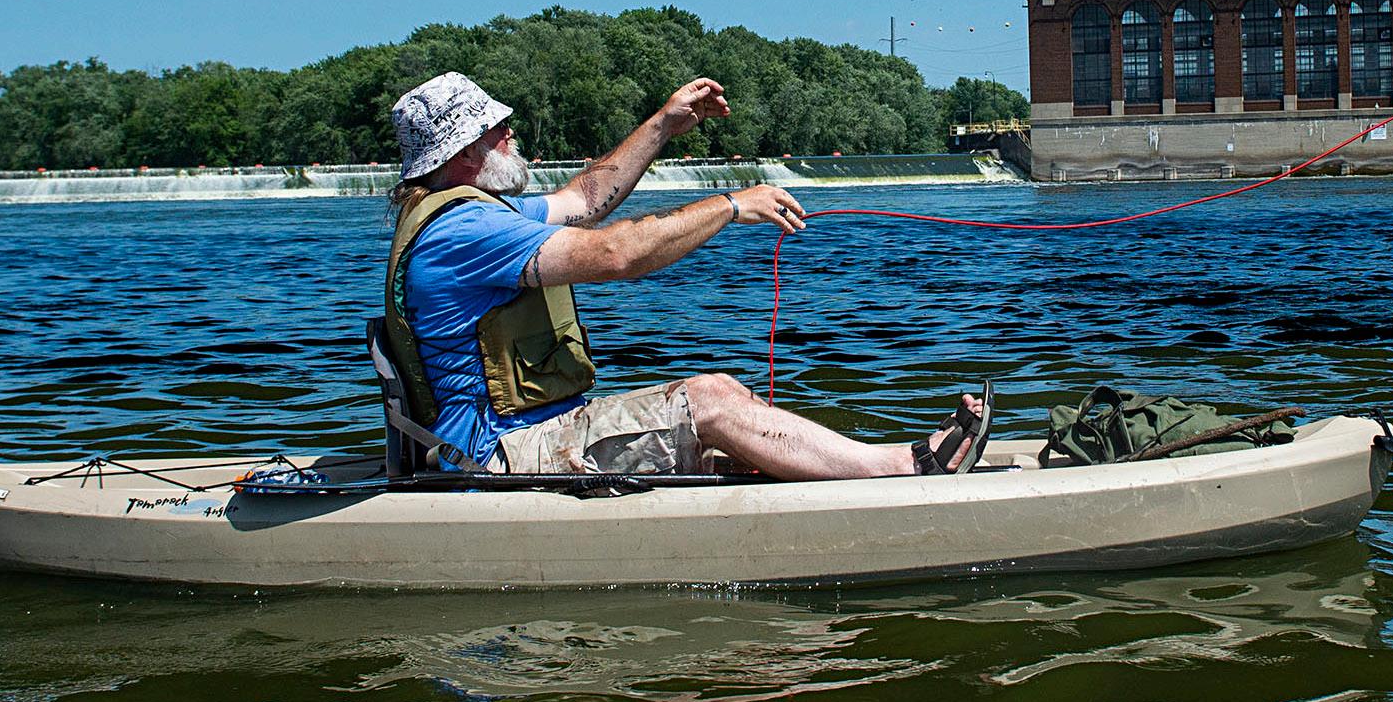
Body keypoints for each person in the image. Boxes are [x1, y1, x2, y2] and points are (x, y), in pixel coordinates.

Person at [381, 71, 990, 480]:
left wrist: (664, 124)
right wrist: (729, 205)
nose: (510, 133)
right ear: (462, 151)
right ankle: (901, 468)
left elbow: (585, 199)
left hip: (533, 435)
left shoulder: (476, 213)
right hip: (500, 459)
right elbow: (617, 254)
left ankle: (839, 463)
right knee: (710, 400)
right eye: (495, 129)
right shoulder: (465, 232)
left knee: (728, 403)